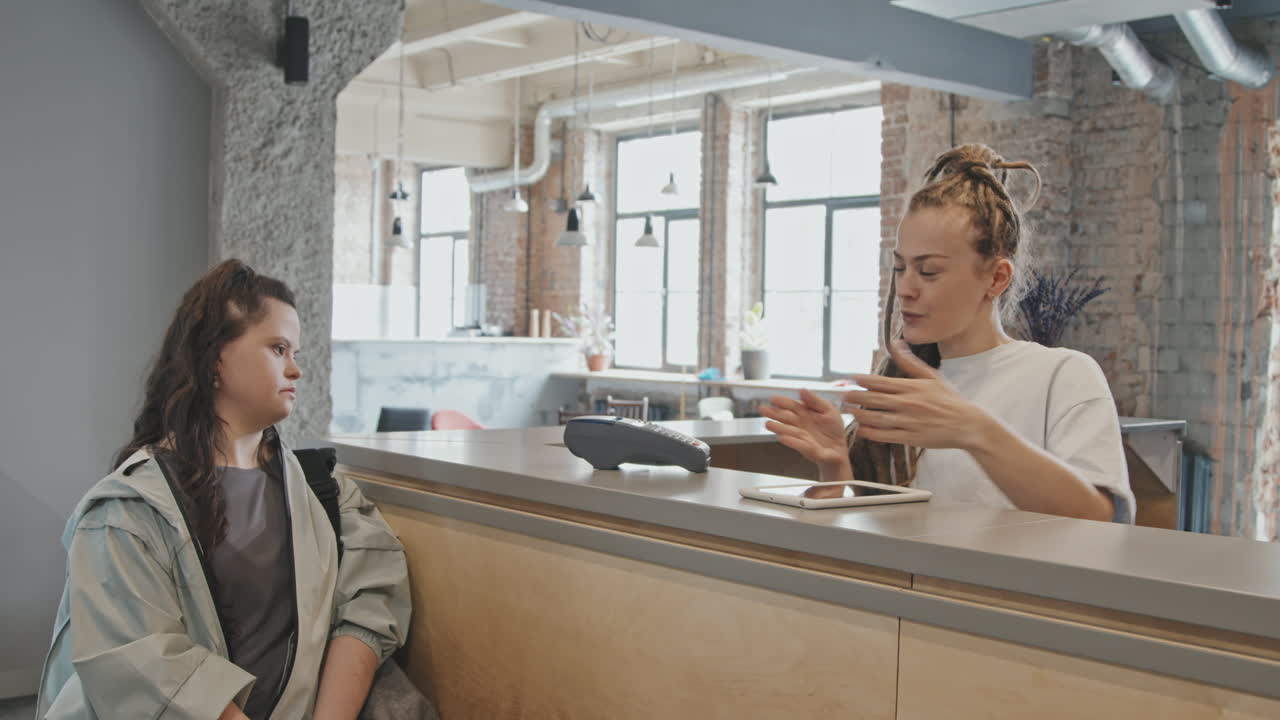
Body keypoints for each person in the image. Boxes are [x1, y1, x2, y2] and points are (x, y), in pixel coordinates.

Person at [37, 260, 412, 719]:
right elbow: (144, 666)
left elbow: (371, 604)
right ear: (215, 358)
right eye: (278, 349)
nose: (296, 370)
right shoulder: (126, 513)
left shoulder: (326, 494)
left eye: (296, 353)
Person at [760, 144, 1135, 523]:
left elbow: (1104, 521)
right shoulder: (900, 381)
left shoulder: (1063, 375)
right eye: (900, 268)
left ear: (996, 277)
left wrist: (975, 431)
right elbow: (875, 532)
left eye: (929, 272)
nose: (906, 288)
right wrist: (836, 467)